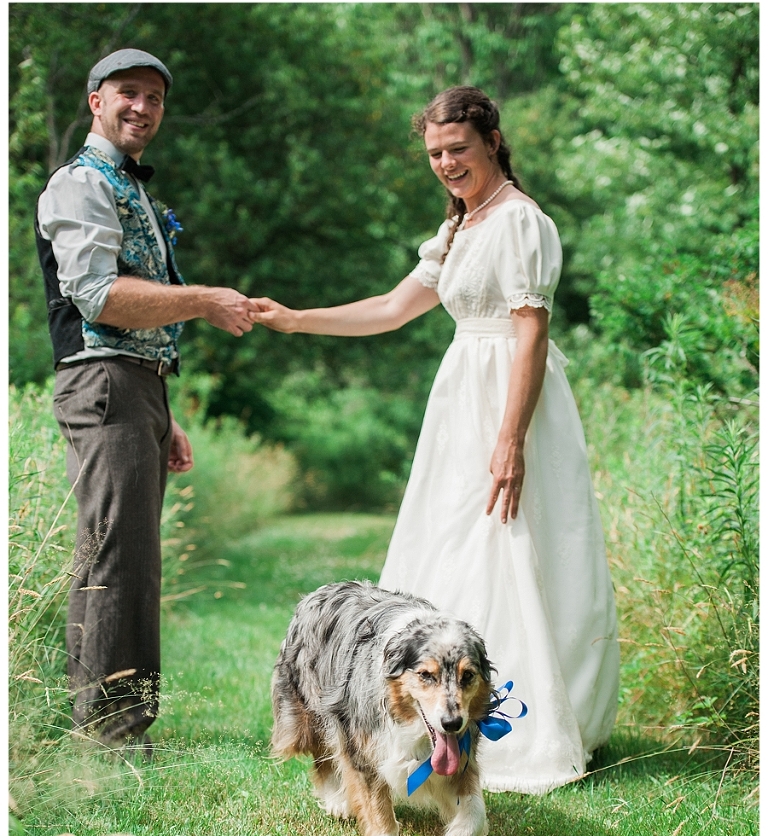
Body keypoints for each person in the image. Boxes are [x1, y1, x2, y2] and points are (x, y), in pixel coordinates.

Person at [250, 86, 619, 794]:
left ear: (491, 142)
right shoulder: (459, 227)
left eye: (459, 150)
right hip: (458, 405)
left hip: (510, 396)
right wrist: (295, 319)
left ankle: (519, 722)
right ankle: (428, 713)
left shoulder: (519, 223)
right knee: (449, 542)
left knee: (511, 546)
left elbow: (531, 330)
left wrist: (510, 440)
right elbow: (393, 308)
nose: (447, 163)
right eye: (435, 153)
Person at [35, 48, 257, 751]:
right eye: (128, 93)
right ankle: (107, 733)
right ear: (95, 100)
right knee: (112, 559)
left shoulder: (129, 189)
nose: (142, 108)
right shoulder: (79, 184)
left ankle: (125, 723)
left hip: (135, 388)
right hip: (104, 387)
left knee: (133, 558)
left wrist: (165, 412)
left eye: (155, 98)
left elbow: (135, 318)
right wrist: (205, 301)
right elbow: (98, 296)